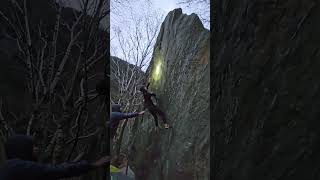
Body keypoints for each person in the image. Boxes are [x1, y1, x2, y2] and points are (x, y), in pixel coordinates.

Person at [0, 135, 110, 180]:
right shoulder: (16, 166)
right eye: (32, 146)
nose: (36, 149)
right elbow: (55, 170)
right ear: (21, 149)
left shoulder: (11, 167)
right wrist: (93, 165)